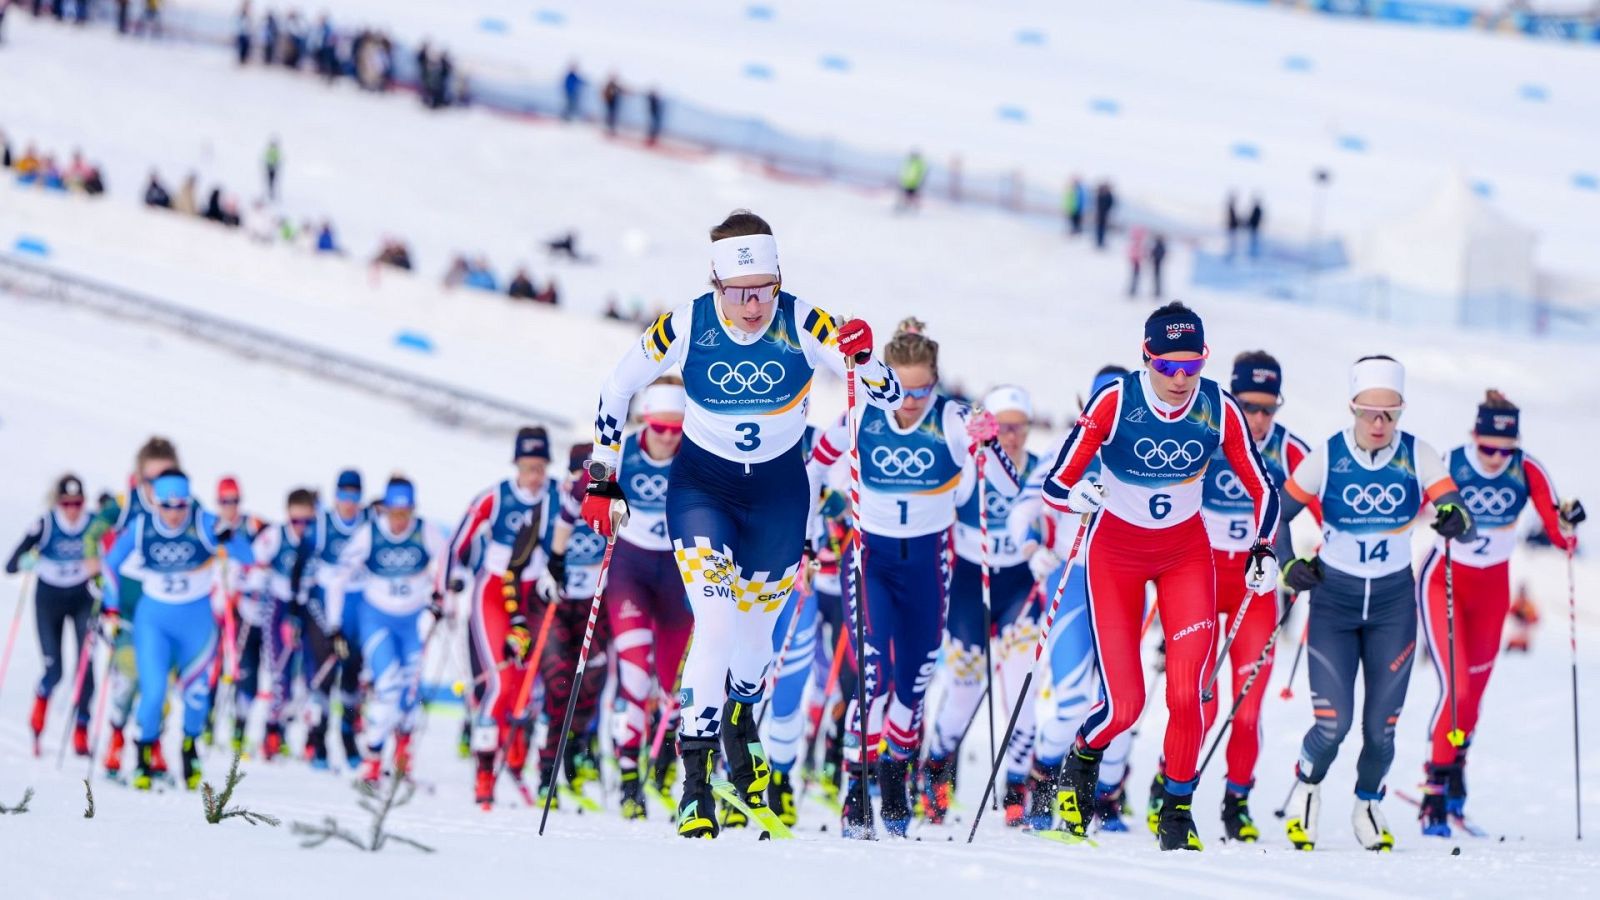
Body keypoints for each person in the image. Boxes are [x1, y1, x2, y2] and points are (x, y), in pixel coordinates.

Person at [584, 209, 902, 838]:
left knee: (756, 642)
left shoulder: (806, 321)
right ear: (716, 285)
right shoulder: (686, 323)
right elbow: (618, 387)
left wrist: (867, 359)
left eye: (764, 291)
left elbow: (889, 399)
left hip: (781, 498)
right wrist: (602, 475)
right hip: (705, 490)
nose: (753, 306)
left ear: (779, 281)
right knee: (718, 621)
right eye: (738, 294)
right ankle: (695, 780)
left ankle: (740, 723)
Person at [1041, 301, 1281, 851]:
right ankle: (1082, 764)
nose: (1179, 379)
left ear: (1204, 361)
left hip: (1184, 554)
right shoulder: (1116, 399)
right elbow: (1056, 482)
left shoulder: (1218, 406)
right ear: (1145, 358)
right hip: (1116, 555)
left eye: (1191, 366)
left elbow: (1262, 486)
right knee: (1124, 706)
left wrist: (1263, 547)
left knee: (1189, 694)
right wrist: (1077, 494)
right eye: (1167, 366)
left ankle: (1176, 810)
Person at [807, 319, 1014, 838]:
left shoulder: (951, 419)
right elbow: (815, 464)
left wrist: (990, 445)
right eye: (901, 388)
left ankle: (895, 784)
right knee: (872, 681)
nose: (910, 400)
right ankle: (857, 792)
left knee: (912, 688)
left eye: (923, 389)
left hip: (928, 564)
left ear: (936, 383)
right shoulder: (862, 413)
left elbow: (1007, 485)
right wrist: (808, 530)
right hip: (871, 560)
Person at [1277, 355, 1473, 852]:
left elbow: (1454, 504)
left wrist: (1453, 516)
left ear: (1402, 412)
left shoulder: (1416, 453)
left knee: (1381, 731)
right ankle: (1307, 786)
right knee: (1332, 724)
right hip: (1335, 604)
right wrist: (1286, 566)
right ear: (1353, 409)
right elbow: (1276, 517)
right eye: (1369, 412)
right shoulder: (1327, 455)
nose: (1380, 424)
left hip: (1391, 605)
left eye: (1391, 414)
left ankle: (1367, 802)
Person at [1415, 390, 1581, 835]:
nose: (1494, 458)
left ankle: (1454, 771)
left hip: (1493, 590)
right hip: (1445, 581)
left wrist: (1570, 523)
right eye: (1487, 447)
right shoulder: (1450, 461)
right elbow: (1407, 511)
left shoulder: (1527, 469)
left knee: (1476, 697)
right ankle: (1434, 790)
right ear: (1474, 436)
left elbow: (1561, 536)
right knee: (1458, 689)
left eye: (1503, 450)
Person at [1195, 351, 1309, 841]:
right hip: (1199, 578)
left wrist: (1309, 562)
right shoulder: (1204, 432)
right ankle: (1167, 786)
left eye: (1269, 408)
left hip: (1255, 584)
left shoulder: (1288, 450)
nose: (1260, 418)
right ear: (1232, 400)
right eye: (1249, 406)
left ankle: (1236, 801)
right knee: (1197, 697)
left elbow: (1335, 501)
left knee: (1247, 705)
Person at [920, 384, 1044, 826]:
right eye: (1003, 427)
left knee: (1021, 687)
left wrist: (1043, 547)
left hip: (1017, 584)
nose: (1012, 436)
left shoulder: (1037, 469)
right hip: (972, 582)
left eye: (1019, 427)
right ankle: (935, 767)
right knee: (965, 690)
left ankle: (1016, 785)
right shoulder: (971, 464)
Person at [1027, 366, 1136, 833]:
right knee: (1072, 701)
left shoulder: (1141, 452)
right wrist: (1031, 547)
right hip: (1073, 578)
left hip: (1123, 582)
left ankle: (1106, 795)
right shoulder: (1065, 447)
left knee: (1122, 703)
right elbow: (1029, 504)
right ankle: (1043, 781)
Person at [102, 470, 254, 790]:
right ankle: (143, 753)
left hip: (197, 622)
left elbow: (247, 555)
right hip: (154, 620)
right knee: (154, 692)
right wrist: (110, 605)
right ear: (157, 503)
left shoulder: (203, 522)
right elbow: (111, 563)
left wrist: (230, 537)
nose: (174, 514)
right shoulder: (142, 526)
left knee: (197, 697)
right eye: (167, 506)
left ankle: (190, 749)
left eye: (180, 506)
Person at [588, 379, 694, 820]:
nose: (668, 437)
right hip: (630, 570)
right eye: (659, 427)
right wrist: (601, 505)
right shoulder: (624, 452)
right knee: (634, 680)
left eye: (676, 428)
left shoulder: (695, 453)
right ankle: (630, 781)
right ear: (645, 421)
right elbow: (587, 497)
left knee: (676, 686)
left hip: (677, 576)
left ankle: (669, 762)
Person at [442, 427, 561, 807]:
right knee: (501, 683)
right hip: (493, 593)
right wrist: (449, 582)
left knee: (527, 690)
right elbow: (457, 542)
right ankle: (483, 772)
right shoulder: (495, 496)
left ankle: (515, 762)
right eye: (528, 467)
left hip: (532, 595)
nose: (534, 476)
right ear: (516, 466)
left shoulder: (555, 496)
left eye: (540, 467)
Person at [327, 476, 446, 783]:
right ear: (384, 510)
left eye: (405, 513)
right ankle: (373, 758)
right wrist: (334, 623)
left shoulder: (424, 531)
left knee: (410, 690)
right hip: (377, 619)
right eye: (394, 513)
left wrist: (441, 595)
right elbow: (338, 578)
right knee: (389, 685)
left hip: (411, 623)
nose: (399, 521)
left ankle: (403, 758)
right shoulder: (370, 534)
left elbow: (448, 562)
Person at [85, 436, 180, 780]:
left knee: (162, 688)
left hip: (168, 611)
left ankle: (152, 744)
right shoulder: (126, 505)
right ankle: (117, 737)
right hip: (127, 609)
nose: (159, 487)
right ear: (139, 477)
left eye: (165, 477)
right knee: (127, 680)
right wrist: (94, 568)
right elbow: (92, 531)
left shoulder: (181, 507)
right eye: (151, 479)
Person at [6, 475, 95, 757]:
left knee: (86, 667)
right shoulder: (45, 524)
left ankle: (81, 729)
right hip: (49, 600)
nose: (72, 509)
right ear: (59, 502)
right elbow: (10, 565)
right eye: (67, 503)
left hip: (82, 597)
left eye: (77, 503)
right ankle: (38, 718)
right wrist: (27, 560)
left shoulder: (92, 524)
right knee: (54, 670)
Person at [246, 488, 320, 760]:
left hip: (308, 606)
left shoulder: (317, 538)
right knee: (279, 669)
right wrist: (256, 581)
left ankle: (312, 734)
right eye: (296, 522)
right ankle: (273, 730)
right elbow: (254, 564)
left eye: (307, 522)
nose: (302, 528)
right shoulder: (274, 536)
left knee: (313, 673)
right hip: (277, 605)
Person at [312, 469, 369, 766]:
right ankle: (318, 739)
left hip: (356, 603)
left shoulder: (368, 522)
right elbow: (301, 561)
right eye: (344, 495)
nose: (349, 502)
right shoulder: (323, 523)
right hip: (325, 603)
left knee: (351, 673)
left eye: (354, 496)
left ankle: (348, 738)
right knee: (324, 670)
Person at [1093, 181, 1116, 250]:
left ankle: (1100, 242)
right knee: (1099, 228)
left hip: (1104, 214)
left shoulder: (1106, 195)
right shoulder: (1101, 195)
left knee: (1102, 229)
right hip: (1101, 214)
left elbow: (1111, 204)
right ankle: (1099, 242)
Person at [1127, 225, 1148, 298]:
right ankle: (1133, 290)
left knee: (1135, 277)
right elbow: (1135, 252)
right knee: (1135, 277)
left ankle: (1133, 290)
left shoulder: (1137, 243)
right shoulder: (1138, 243)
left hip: (1137, 262)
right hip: (1136, 262)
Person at [1150, 234, 1167, 299]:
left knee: (1157, 278)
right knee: (1157, 277)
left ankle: (1157, 291)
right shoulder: (1160, 245)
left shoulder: (1158, 245)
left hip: (1157, 263)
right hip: (1157, 263)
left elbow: (1154, 253)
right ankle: (1157, 291)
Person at [263, 137, 280, 202]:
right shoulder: (274, 151)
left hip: (271, 166)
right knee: (272, 180)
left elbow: (266, 158)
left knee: (271, 180)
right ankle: (271, 192)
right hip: (272, 167)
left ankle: (271, 192)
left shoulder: (271, 150)